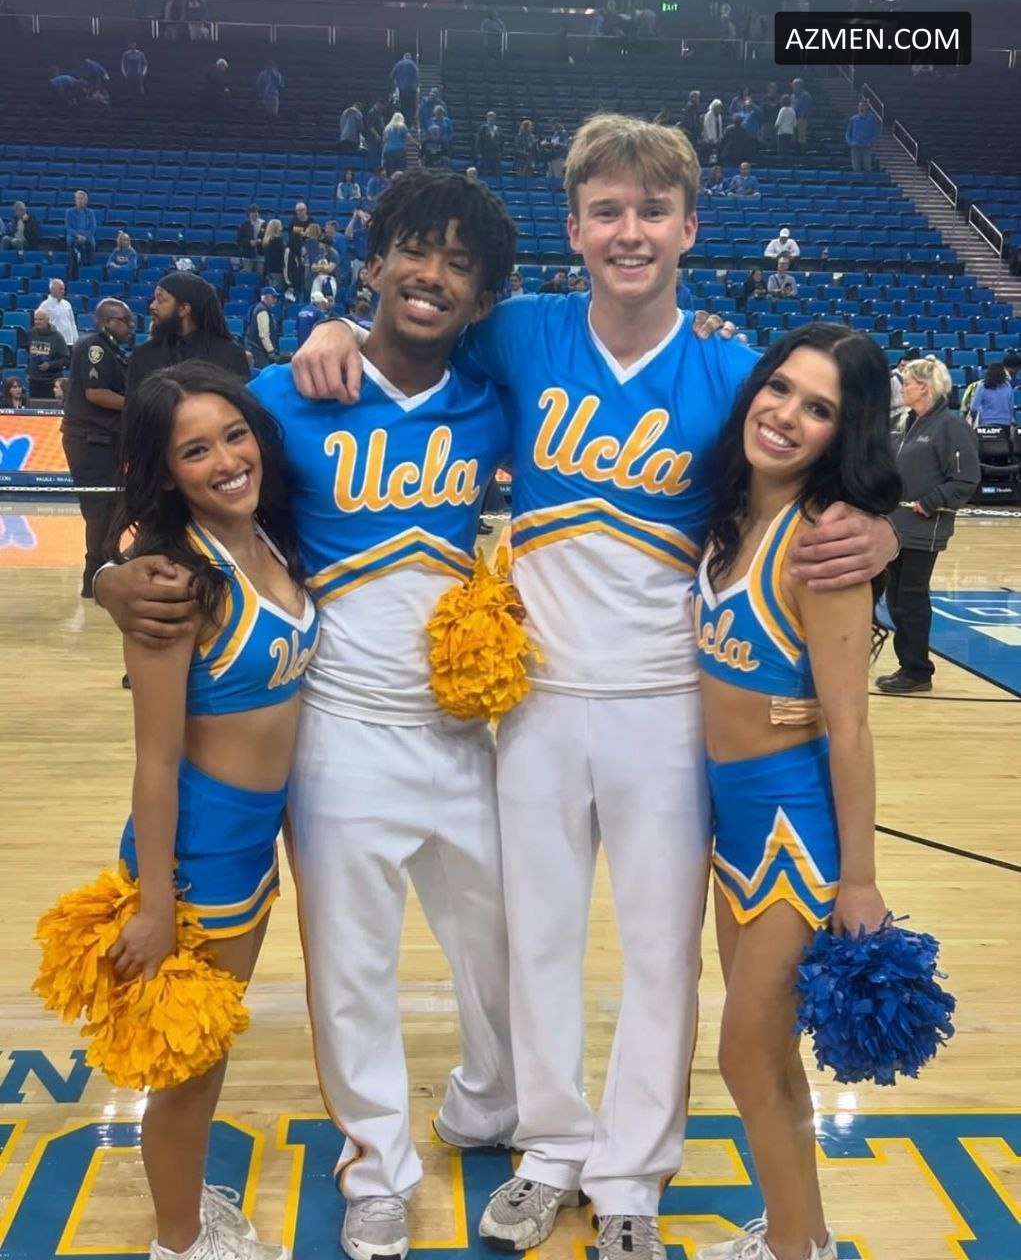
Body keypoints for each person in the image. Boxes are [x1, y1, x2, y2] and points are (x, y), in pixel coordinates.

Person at [290, 115, 898, 1260]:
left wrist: (881, 526)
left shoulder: (735, 368)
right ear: (572, 227)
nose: (629, 231)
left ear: (689, 227)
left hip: (668, 705)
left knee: (662, 953)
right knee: (538, 941)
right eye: (606, 210)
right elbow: (404, 336)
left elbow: (838, 444)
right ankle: (550, 1146)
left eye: (651, 212)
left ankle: (631, 1174)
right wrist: (329, 325)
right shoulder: (517, 331)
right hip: (532, 700)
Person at [95, 171, 521, 1260]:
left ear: (481, 293)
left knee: (504, 943)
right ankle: (375, 1167)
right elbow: (178, 487)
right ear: (370, 261)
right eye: (412, 250)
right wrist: (111, 578)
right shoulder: (282, 396)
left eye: (458, 262)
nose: (431, 274)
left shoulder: (495, 390)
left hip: (466, 728)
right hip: (335, 732)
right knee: (351, 969)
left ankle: (492, 1101)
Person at [690, 323, 902, 1260]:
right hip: (730, 823)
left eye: (818, 409)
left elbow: (850, 728)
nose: (784, 415)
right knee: (768, 1053)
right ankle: (799, 1233)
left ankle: (790, 1247)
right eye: (779, 389)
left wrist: (858, 881)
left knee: (743, 1054)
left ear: (840, 434)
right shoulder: (732, 511)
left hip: (789, 830)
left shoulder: (824, 547)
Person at [103, 361, 312, 1260]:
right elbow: (154, 761)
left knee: (206, 1052)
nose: (226, 460)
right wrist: (154, 906)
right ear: (166, 469)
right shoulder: (175, 584)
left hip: (248, 848)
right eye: (195, 451)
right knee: (187, 1069)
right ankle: (181, 1243)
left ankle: (187, 1212)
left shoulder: (270, 537)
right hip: (197, 863)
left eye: (234, 435)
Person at [878, 357, 979, 695]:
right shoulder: (906, 423)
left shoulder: (950, 426)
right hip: (895, 527)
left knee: (911, 597)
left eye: (907, 382)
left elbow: (966, 479)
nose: (902, 388)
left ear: (924, 387)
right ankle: (908, 665)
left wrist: (931, 502)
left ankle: (917, 670)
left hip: (924, 528)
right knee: (895, 598)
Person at [60, 298, 134, 598]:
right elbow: (96, 393)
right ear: (107, 322)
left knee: (114, 507)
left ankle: (105, 569)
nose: (130, 326)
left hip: (105, 439)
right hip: (90, 440)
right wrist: (137, 405)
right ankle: (94, 577)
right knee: (100, 510)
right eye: (124, 320)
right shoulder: (95, 347)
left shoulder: (113, 350)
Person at [126, 272, 249, 394]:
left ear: (183, 309)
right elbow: (133, 405)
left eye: (160, 300)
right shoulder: (142, 355)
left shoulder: (229, 355)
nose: (152, 306)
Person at [28, 308, 71, 399]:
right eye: (35, 319)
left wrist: (50, 365)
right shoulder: (31, 333)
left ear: (48, 320)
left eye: (40, 319)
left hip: (51, 382)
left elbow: (66, 360)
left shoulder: (57, 337)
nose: (37, 322)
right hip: (34, 381)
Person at [285, 202, 317, 302]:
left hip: (309, 250)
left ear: (306, 210)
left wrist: (301, 232)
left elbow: (315, 233)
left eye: (302, 210)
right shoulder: (293, 221)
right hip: (296, 252)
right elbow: (291, 235)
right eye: (298, 210)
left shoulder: (311, 221)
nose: (300, 212)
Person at [967, 361, 1015, 426]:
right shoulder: (1008, 386)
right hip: (1005, 422)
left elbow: (974, 408)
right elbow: (1011, 406)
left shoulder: (982, 386)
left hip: (987, 422)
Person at [245, 285, 280, 369]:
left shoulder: (258, 307)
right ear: (266, 297)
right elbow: (263, 335)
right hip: (258, 350)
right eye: (273, 297)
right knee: (263, 372)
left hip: (255, 347)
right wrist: (270, 350)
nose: (275, 300)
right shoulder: (262, 310)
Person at [65, 189, 97, 279]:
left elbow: (93, 227)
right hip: (74, 236)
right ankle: (72, 273)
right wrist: (77, 236)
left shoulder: (90, 213)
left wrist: (85, 236)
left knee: (90, 244)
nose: (80, 200)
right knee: (72, 246)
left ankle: (88, 270)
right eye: (78, 198)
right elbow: (68, 227)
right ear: (75, 200)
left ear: (86, 200)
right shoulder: (69, 212)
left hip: (87, 237)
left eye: (82, 198)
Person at [40, 277, 79, 348]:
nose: (63, 291)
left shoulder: (67, 304)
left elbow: (72, 323)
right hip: (54, 343)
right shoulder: (44, 306)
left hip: (69, 342)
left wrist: (76, 340)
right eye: (61, 289)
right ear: (52, 289)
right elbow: (41, 326)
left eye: (63, 289)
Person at [845, 100, 880, 173]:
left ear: (867, 107)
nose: (861, 107)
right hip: (855, 146)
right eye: (860, 106)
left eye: (863, 105)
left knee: (867, 166)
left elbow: (876, 132)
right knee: (856, 167)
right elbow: (848, 133)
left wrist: (871, 142)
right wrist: (850, 142)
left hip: (866, 146)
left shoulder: (872, 118)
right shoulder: (853, 119)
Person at [390, 51, 419, 125]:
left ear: (403, 57)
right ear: (409, 57)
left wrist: (394, 87)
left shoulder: (398, 64)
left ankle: (403, 122)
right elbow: (416, 75)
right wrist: (417, 86)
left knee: (403, 107)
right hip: (411, 90)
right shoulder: (412, 64)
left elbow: (391, 76)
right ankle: (410, 123)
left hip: (402, 90)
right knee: (411, 108)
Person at [238, 205, 265, 273]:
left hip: (260, 256)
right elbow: (239, 240)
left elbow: (267, 238)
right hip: (248, 256)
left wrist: (260, 241)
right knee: (248, 276)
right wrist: (249, 242)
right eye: (253, 212)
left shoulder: (263, 224)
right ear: (249, 214)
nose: (255, 214)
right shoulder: (244, 225)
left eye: (256, 212)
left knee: (259, 276)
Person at [475, 111, 503, 176]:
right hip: (485, 153)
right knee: (485, 171)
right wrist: (479, 152)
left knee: (496, 171)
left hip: (496, 154)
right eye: (490, 117)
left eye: (493, 117)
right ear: (487, 118)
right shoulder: (483, 128)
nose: (491, 119)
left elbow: (502, 141)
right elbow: (478, 141)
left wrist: (501, 151)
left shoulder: (498, 129)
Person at [381, 111, 408, 177]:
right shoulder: (402, 126)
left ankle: (390, 180)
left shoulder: (387, 128)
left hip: (388, 150)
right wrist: (415, 143)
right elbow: (408, 137)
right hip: (399, 149)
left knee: (390, 169)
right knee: (400, 168)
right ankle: (399, 181)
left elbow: (384, 140)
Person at [261, 220, 286, 292]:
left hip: (268, 269)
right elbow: (282, 255)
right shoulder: (278, 241)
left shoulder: (266, 241)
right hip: (277, 270)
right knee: (277, 291)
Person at [790, 78, 812, 148]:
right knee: (793, 136)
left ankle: (802, 150)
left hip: (801, 118)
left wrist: (802, 117)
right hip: (793, 118)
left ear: (799, 85)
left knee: (801, 137)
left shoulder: (805, 95)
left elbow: (807, 107)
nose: (792, 87)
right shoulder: (792, 96)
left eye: (794, 85)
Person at [774, 94, 797, 159]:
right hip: (790, 133)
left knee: (781, 151)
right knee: (787, 151)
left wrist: (775, 129)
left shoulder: (782, 110)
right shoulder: (792, 110)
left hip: (782, 133)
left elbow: (778, 123)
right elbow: (794, 124)